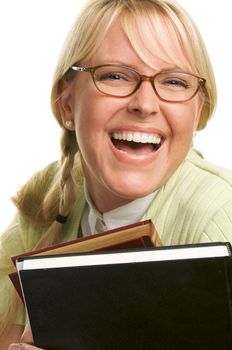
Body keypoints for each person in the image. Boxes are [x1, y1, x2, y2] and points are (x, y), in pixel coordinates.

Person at [1, 0, 232, 348]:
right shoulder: (45, 204)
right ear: (67, 103)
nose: (145, 103)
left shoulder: (220, 217)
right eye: (115, 75)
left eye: (174, 81)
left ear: (199, 110)